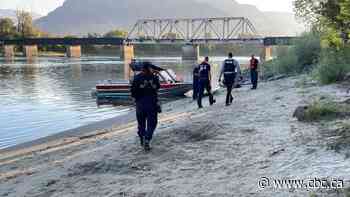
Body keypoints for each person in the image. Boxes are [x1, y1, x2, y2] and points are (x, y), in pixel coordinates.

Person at [131, 62, 160, 151]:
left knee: (141, 124)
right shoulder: (154, 77)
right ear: (149, 68)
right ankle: (147, 138)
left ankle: (142, 138)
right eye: (151, 68)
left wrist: (136, 99)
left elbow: (133, 91)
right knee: (152, 123)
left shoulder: (137, 78)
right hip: (151, 103)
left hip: (140, 103)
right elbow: (157, 87)